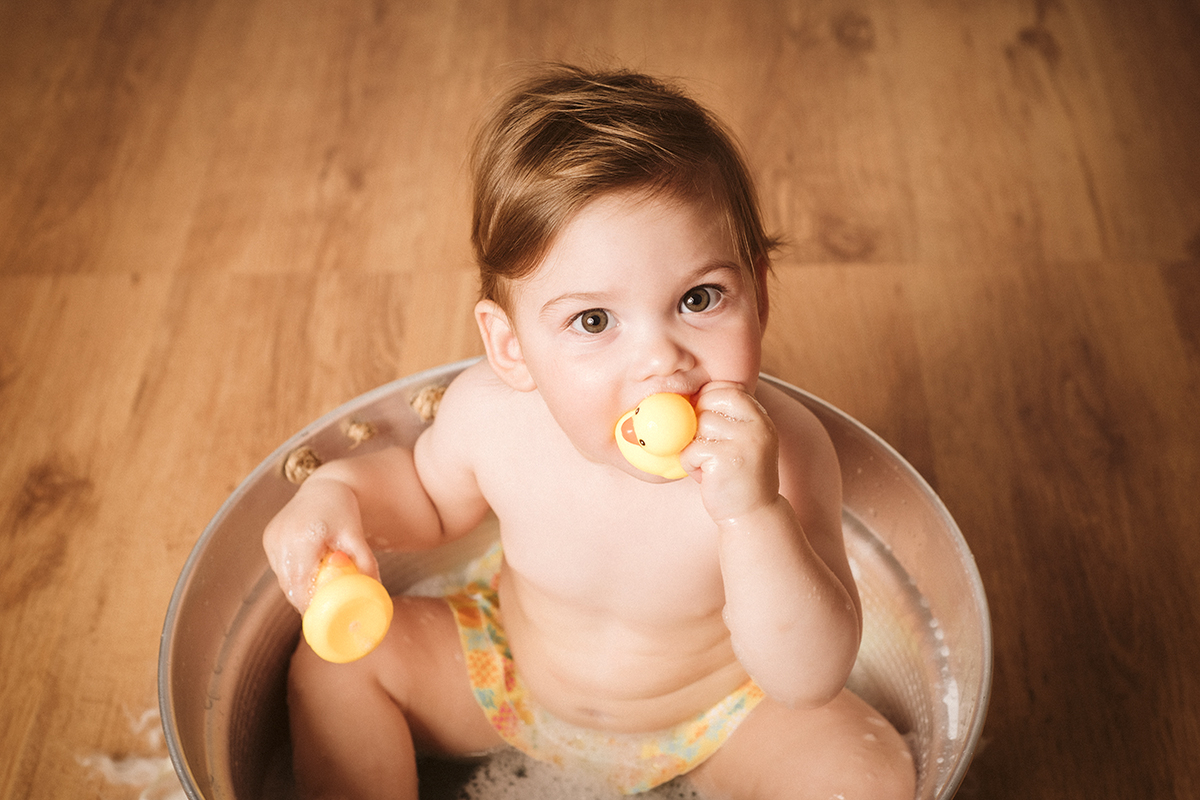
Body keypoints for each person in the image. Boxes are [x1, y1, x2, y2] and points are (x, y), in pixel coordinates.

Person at [263, 64, 916, 800]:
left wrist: (753, 514)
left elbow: (807, 677)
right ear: (511, 348)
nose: (660, 360)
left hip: (720, 712)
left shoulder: (781, 456)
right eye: (594, 321)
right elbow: (424, 499)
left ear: (758, 294)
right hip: (507, 676)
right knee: (339, 665)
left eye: (699, 298)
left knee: (866, 773)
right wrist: (337, 494)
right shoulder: (492, 417)